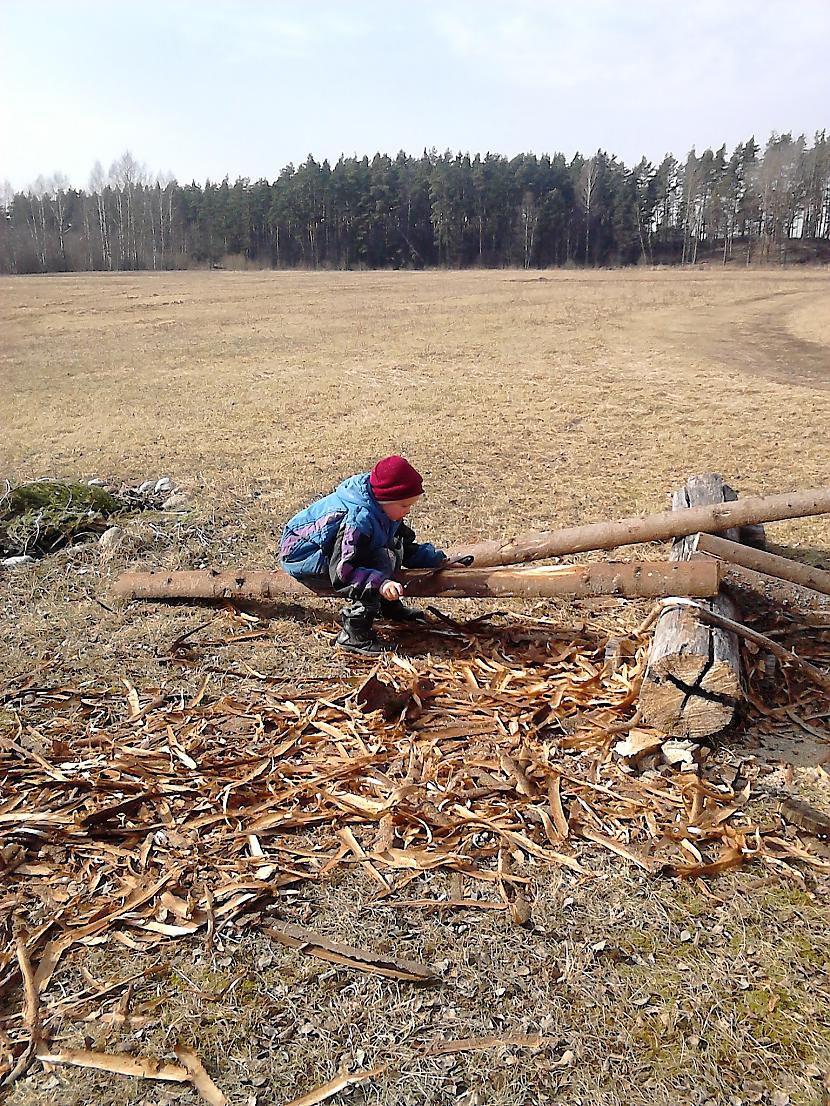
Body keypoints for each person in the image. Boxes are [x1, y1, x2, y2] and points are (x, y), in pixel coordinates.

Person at [280, 455, 471, 655]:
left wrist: (439, 561)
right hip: (304, 555)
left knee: (390, 552)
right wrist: (381, 583)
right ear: (385, 500)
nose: (408, 511)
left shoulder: (384, 510)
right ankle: (354, 633)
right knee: (379, 561)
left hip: (337, 552)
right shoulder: (358, 521)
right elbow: (343, 571)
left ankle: (387, 606)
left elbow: (405, 547)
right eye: (404, 506)